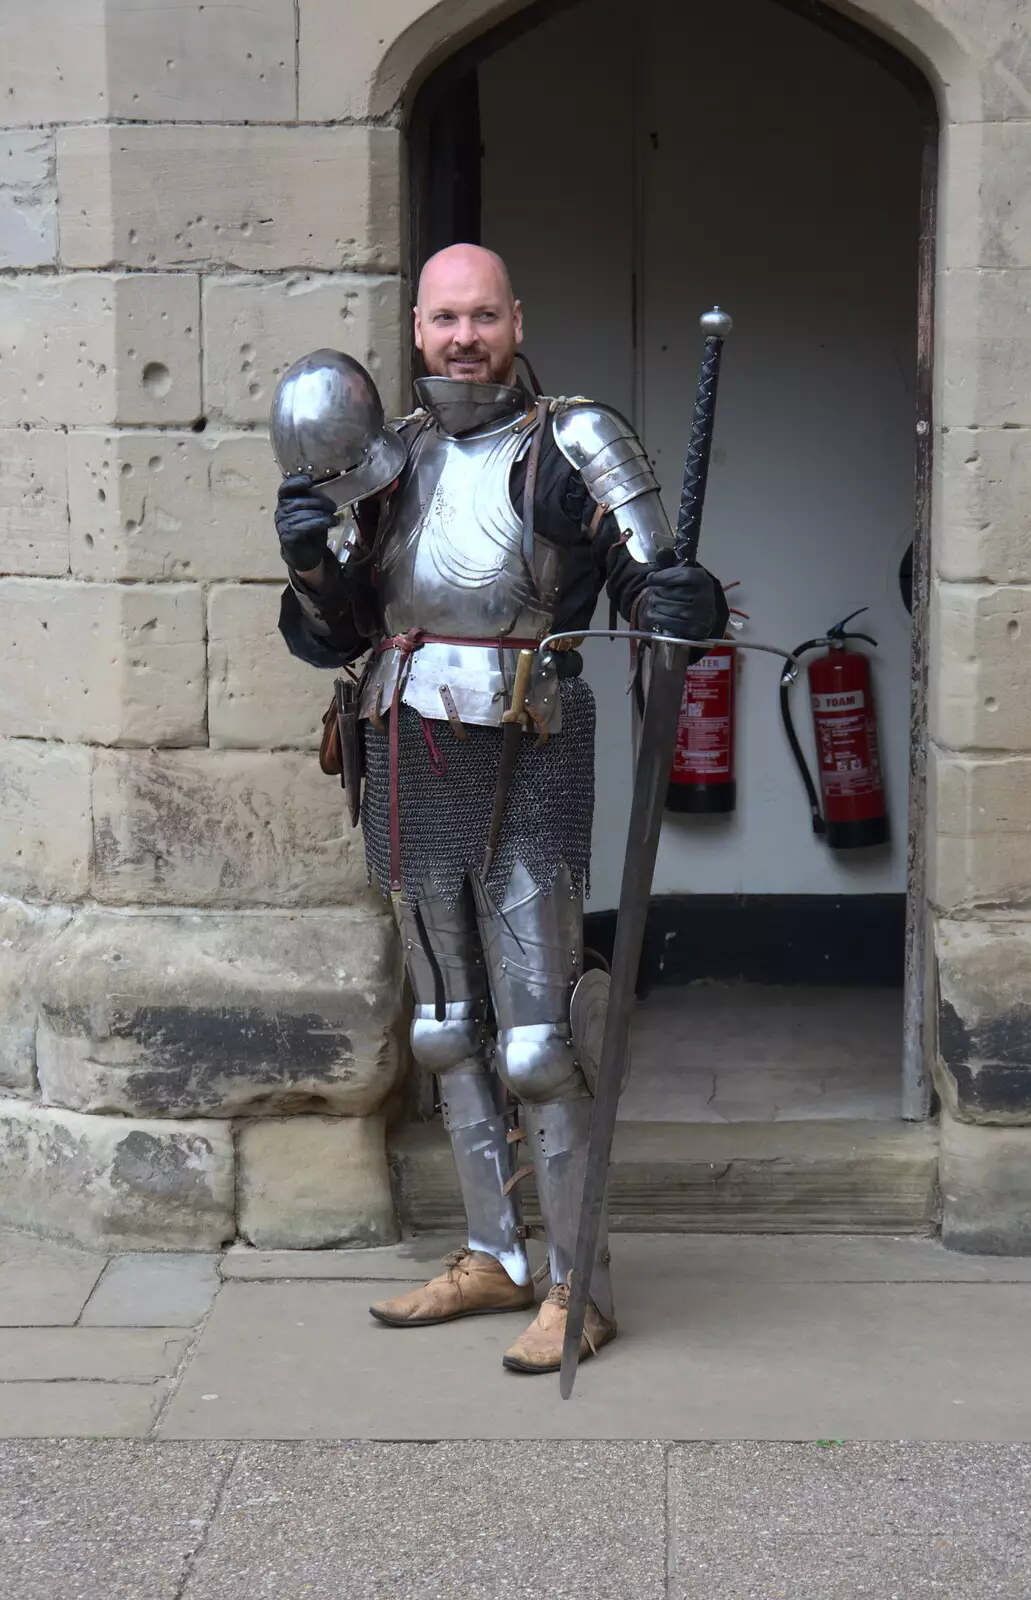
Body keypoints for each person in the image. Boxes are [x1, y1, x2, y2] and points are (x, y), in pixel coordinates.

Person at [274, 244, 726, 1374]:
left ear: (513, 319)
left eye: (481, 315)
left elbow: (645, 582)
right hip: (404, 753)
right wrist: (313, 571)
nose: (463, 337)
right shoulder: (387, 461)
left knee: (534, 1044)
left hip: (528, 755)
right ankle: (492, 1254)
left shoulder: (571, 440)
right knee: (444, 1033)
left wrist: (678, 598)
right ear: (416, 331)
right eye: (443, 319)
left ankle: (577, 1285)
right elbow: (336, 633)